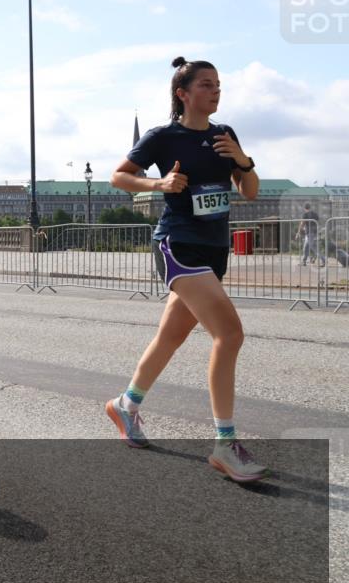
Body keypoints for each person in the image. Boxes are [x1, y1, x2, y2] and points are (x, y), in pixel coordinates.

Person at [106, 56, 267, 483]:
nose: (216, 91)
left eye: (219, 85)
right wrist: (158, 184)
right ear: (184, 93)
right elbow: (119, 177)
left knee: (170, 337)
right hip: (178, 244)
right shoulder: (164, 137)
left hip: (214, 249)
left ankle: (127, 404)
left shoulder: (224, 135)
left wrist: (243, 161)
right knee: (229, 334)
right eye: (207, 85)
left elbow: (249, 193)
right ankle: (224, 443)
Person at [296, 203, 324, 267]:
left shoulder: (305, 214)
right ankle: (304, 262)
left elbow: (302, 224)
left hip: (309, 233)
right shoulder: (315, 214)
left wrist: (298, 233)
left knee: (314, 248)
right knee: (306, 247)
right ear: (310, 207)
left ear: (305, 208)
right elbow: (318, 222)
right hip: (314, 232)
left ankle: (323, 260)